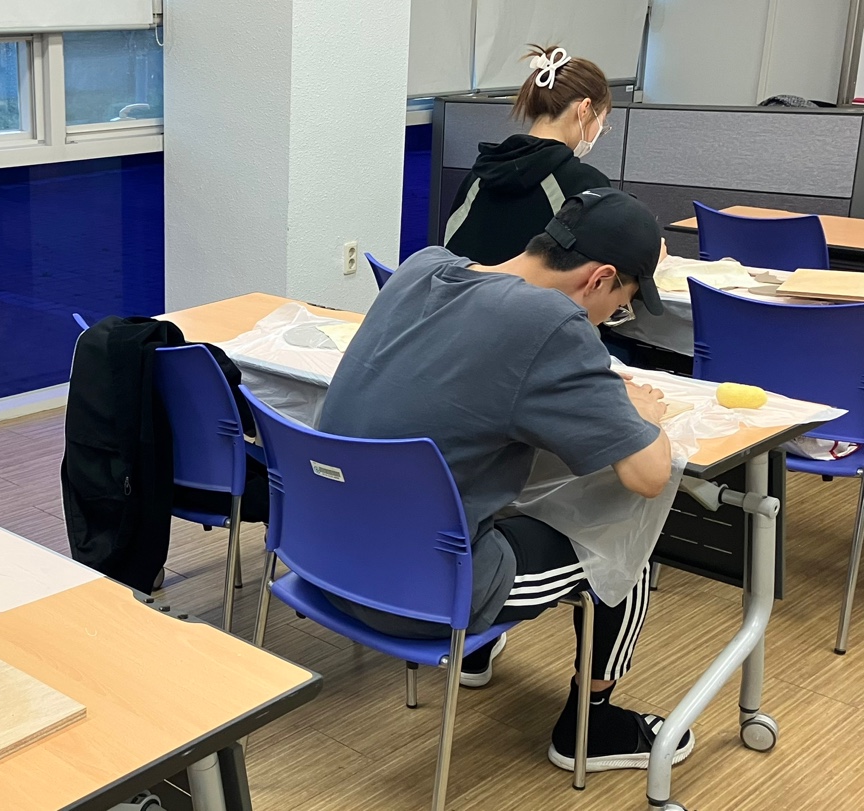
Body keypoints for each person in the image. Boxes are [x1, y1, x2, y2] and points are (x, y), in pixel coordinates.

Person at [317, 189, 693, 772]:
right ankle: (590, 729)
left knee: (497, 485)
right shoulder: (552, 324)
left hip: (323, 555)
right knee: (624, 543)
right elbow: (647, 474)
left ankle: (476, 654)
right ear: (599, 279)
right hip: (412, 592)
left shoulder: (423, 266)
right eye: (619, 306)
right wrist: (640, 415)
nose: (609, 319)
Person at [443, 44, 614, 265]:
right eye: (602, 121)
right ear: (584, 109)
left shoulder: (479, 175)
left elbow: (449, 257)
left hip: (464, 288)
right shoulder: (586, 186)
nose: (599, 131)